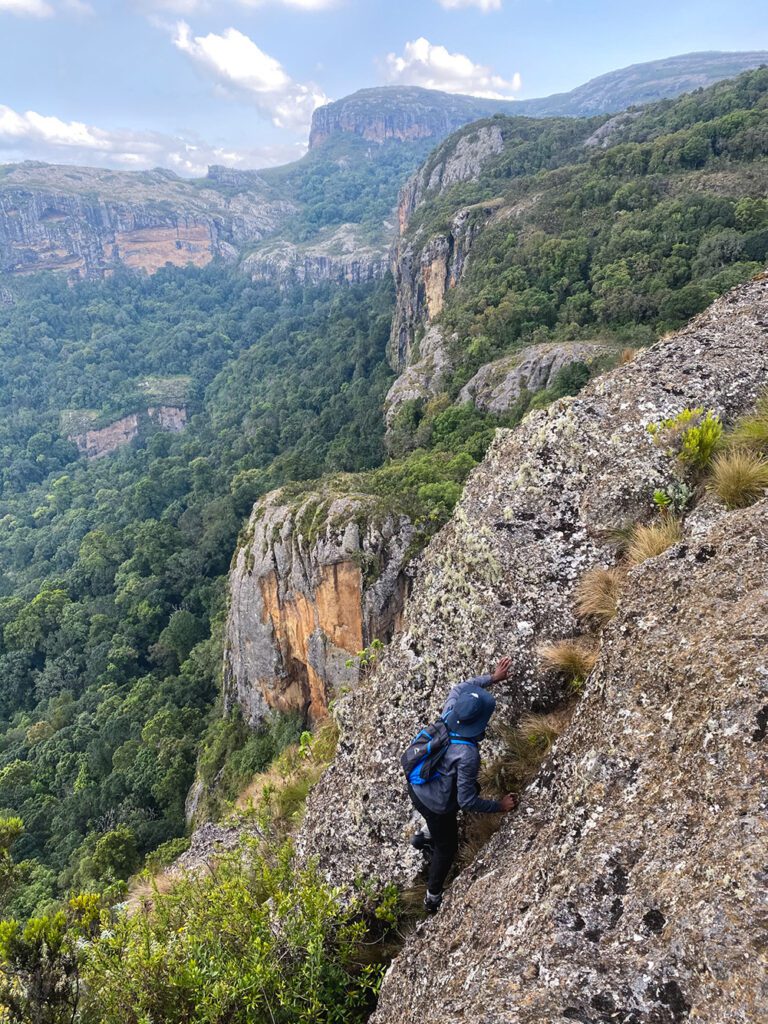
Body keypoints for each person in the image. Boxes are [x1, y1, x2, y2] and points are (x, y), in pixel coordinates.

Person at [408, 657, 518, 914]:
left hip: (416, 785)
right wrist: (499, 806)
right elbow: (467, 801)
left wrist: (492, 678)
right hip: (434, 803)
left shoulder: (451, 707)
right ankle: (432, 897)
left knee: (450, 803)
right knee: (447, 849)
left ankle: (423, 836)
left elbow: (462, 686)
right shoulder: (467, 755)